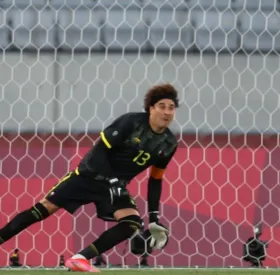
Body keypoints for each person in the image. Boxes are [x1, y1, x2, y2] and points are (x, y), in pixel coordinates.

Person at [0, 83, 180, 272]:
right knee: (40, 211)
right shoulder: (131, 122)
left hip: (114, 187)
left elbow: (156, 179)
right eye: (162, 106)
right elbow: (100, 151)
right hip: (87, 175)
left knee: (131, 223)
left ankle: (79, 259)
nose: (167, 112)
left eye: (171, 107)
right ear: (151, 108)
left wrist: (153, 218)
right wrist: (113, 181)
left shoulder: (169, 143)